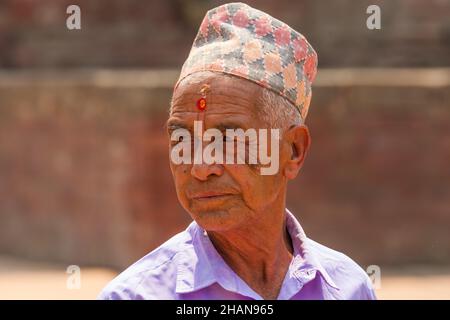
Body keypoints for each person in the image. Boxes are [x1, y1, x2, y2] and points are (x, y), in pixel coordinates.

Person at [98, 2, 376, 300]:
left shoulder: (348, 288)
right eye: (182, 140)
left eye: (229, 139)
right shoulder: (134, 296)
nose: (201, 168)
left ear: (294, 150)